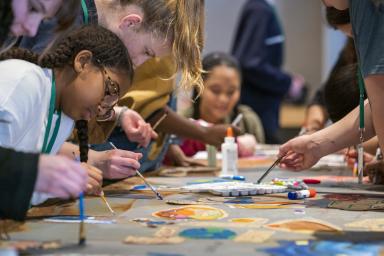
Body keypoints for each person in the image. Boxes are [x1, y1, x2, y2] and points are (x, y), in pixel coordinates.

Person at [0, 25, 139, 204]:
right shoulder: (23, 80)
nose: (101, 109)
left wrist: (61, 182)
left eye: (110, 105)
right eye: (109, 90)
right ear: (83, 62)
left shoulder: (64, 117)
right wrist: (37, 177)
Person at [0, 0, 88, 221]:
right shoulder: (24, 79)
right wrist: (25, 172)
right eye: (32, 8)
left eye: (43, 18)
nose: (31, 29)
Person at [166, 52, 265, 165]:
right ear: (199, 86)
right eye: (215, 90)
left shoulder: (247, 121)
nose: (223, 99)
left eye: (231, 92)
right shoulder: (180, 121)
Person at [231, 0, 305, 144]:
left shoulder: (259, 8)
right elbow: (251, 63)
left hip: (261, 109)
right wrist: (288, 83)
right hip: (258, 111)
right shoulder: (260, 10)